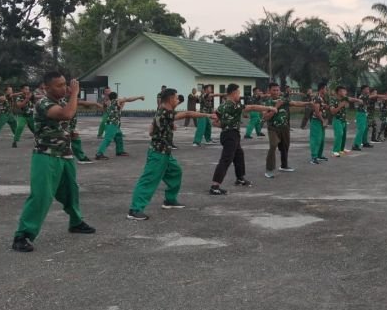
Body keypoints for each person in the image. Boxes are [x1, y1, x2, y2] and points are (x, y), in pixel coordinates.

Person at [10, 72, 96, 252]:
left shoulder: (62, 101)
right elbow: (66, 114)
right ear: (47, 88)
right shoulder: (43, 103)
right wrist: (75, 93)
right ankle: (23, 235)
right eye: (59, 85)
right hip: (46, 156)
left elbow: (64, 121)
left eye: (65, 84)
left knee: (71, 192)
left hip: (65, 155)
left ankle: (76, 222)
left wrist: (69, 133)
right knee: (41, 196)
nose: (64, 88)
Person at [127, 89, 204, 219]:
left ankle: (170, 200)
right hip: (158, 153)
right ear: (169, 99)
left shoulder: (162, 110)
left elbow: (151, 130)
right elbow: (187, 113)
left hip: (165, 152)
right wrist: (208, 115)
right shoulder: (165, 112)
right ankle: (135, 210)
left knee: (175, 172)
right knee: (149, 180)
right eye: (176, 99)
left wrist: (166, 126)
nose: (177, 101)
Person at [209, 84, 269, 195]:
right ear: (233, 93)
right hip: (230, 136)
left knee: (239, 155)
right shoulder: (233, 105)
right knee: (226, 159)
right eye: (238, 93)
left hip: (229, 134)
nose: (239, 95)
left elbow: (214, 122)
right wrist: (269, 108)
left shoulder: (221, 106)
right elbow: (251, 107)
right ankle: (215, 185)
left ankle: (240, 178)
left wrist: (225, 125)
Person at [262, 82, 311, 178]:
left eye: (277, 90)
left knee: (285, 147)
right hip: (273, 128)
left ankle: (284, 166)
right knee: (273, 145)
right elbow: (265, 117)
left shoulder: (284, 100)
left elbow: (295, 103)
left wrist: (308, 103)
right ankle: (269, 170)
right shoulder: (266, 103)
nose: (276, 92)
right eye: (274, 90)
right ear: (269, 91)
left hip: (284, 128)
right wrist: (276, 106)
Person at [95, 92, 144, 160]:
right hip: (112, 124)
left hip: (112, 123)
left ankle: (119, 151)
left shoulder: (107, 102)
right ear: (116, 97)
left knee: (118, 135)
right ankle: (99, 153)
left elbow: (104, 109)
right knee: (107, 139)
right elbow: (129, 99)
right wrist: (139, 97)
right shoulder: (117, 101)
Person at [329, 86, 363, 158]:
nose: (345, 92)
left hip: (343, 120)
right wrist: (340, 106)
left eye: (345, 91)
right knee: (339, 134)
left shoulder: (345, 98)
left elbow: (351, 99)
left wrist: (358, 100)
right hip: (337, 119)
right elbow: (332, 112)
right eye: (343, 91)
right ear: (338, 92)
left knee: (344, 135)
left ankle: (341, 149)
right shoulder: (333, 100)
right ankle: (335, 151)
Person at [350, 85, 378, 152]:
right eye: (367, 89)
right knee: (361, 129)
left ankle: (364, 142)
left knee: (365, 128)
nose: (368, 91)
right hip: (360, 114)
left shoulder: (366, 96)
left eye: (368, 89)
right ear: (363, 90)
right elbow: (373, 96)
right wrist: (383, 96)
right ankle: (355, 145)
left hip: (364, 114)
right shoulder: (362, 97)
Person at [308, 82, 330, 164]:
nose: (326, 90)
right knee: (316, 139)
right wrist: (323, 121)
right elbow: (317, 112)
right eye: (326, 89)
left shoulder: (322, 98)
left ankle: (319, 155)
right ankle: (314, 157)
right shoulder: (317, 98)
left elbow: (322, 108)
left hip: (321, 121)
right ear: (322, 89)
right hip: (317, 121)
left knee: (321, 139)